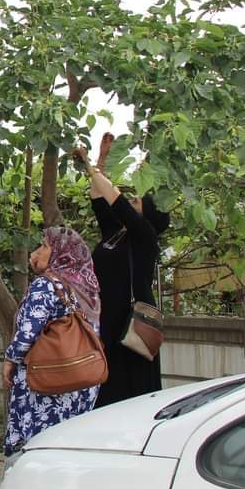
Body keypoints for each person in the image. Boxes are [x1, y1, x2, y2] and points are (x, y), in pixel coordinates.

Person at [74, 144, 169, 408]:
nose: (131, 202)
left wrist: (88, 165)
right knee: (106, 387)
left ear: (147, 214)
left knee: (128, 391)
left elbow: (115, 199)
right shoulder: (118, 233)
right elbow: (99, 200)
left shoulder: (144, 237)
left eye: (137, 202)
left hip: (129, 323)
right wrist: (99, 161)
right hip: (108, 319)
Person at [1, 227, 101, 455]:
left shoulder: (45, 285)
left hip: (47, 381)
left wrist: (10, 361)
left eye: (45, 246)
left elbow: (27, 333)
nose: (38, 251)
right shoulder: (87, 286)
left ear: (60, 253)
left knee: (38, 449)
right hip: (82, 380)